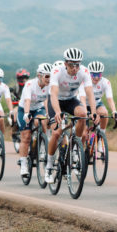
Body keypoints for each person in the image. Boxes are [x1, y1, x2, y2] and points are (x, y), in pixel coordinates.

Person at [44, 48, 98, 184]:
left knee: (83, 114)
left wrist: (94, 112)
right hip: (56, 102)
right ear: (65, 63)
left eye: (77, 64)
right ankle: (49, 166)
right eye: (71, 64)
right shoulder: (57, 71)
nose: (75, 68)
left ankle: (76, 146)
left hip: (70, 100)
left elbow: (90, 93)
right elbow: (54, 95)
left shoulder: (84, 71)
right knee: (56, 133)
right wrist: (57, 112)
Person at [18, 63, 52, 176]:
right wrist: (26, 114)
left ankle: (42, 145)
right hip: (24, 109)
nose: (49, 79)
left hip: (38, 108)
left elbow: (47, 101)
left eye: (51, 76)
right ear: (39, 76)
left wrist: (48, 114)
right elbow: (27, 100)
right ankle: (23, 165)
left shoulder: (49, 86)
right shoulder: (30, 85)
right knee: (26, 136)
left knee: (43, 121)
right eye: (47, 76)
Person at [79, 61, 117, 130]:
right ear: (89, 74)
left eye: (99, 75)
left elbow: (109, 99)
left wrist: (114, 111)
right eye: (93, 75)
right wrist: (87, 112)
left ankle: (102, 133)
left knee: (104, 113)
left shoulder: (105, 82)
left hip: (96, 103)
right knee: (84, 133)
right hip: (83, 104)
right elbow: (82, 98)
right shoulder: (83, 82)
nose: (96, 78)